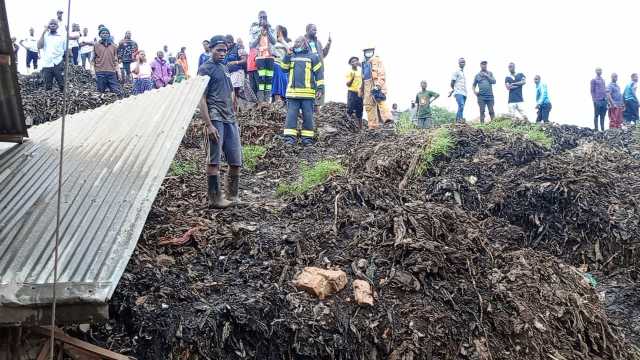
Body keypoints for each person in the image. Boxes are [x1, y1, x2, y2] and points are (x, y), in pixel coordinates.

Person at [197, 35, 243, 209]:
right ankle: (215, 198)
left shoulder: (224, 68)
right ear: (211, 49)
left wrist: (234, 102)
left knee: (236, 161)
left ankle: (233, 195)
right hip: (215, 117)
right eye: (219, 50)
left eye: (225, 50)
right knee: (214, 161)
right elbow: (201, 98)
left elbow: (230, 90)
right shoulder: (205, 69)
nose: (223, 53)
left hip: (229, 118)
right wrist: (208, 125)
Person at [281, 36, 324, 146]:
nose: (295, 43)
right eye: (295, 41)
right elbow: (283, 68)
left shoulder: (313, 57)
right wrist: (287, 55)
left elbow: (319, 74)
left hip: (308, 95)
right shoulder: (291, 56)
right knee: (291, 117)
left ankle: (307, 140)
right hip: (292, 95)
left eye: (298, 41)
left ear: (304, 43)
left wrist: (320, 88)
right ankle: (289, 140)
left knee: (308, 118)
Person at [362, 46, 392, 129]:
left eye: (370, 51)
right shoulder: (364, 63)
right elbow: (363, 78)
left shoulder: (378, 61)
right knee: (369, 105)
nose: (368, 53)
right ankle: (373, 126)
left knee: (380, 101)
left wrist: (378, 85)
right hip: (367, 84)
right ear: (364, 53)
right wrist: (361, 90)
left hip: (375, 83)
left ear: (373, 51)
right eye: (366, 51)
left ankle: (388, 121)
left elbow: (382, 74)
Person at [250, 11, 276, 102]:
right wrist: (259, 34)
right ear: (258, 18)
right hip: (259, 57)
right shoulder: (254, 29)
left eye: (264, 17)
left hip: (270, 57)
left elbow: (274, 41)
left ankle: (267, 103)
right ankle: (261, 103)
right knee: (260, 80)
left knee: (269, 80)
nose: (262, 19)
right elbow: (251, 45)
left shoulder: (271, 28)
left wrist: (267, 29)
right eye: (260, 17)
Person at [38, 19, 71, 91]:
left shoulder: (62, 37)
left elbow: (66, 50)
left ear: (57, 26)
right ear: (48, 26)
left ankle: (63, 101)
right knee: (47, 86)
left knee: (62, 85)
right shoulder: (45, 36)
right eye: (51, 24)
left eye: (54, 24)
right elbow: (39, 46)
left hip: (58, 63)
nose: (52, 25)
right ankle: (48, 101)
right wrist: (43, 32)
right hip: (47, 64)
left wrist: (66, 63)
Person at [305, 24, 331, 111]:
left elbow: (323, 54)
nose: (315, 31)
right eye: (313, 30)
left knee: (320, 89)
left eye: (316, 30)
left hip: (319, 70)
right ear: (307, 30)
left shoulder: (318, 42)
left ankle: (318, 113)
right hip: (309, 70)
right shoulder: (303, 42)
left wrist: (328, 43)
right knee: (310, 91)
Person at [93, 27, 123, 96]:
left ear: (109, 35)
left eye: (107, 33)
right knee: (100, 92)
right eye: (103, 33)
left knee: (116, 91)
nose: (105, 34)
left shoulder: (114, 46)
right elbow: (92, 60)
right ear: (100, 35)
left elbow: (116, 61)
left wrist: (119, 72)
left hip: (111, 72)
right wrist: (93, 73)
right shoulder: (96, 45)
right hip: (100, 72)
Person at [272, 26, 291, 103]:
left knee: (284, 84)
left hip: (283, 65)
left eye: (278, 31)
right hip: (275, 64)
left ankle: (282, 101)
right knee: (276, 82)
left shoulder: (288, 41)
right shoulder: (273, 42)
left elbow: (290, 50)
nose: (276, 32)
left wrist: (282, 41)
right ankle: (277, 100)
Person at [224, 35, 247, 99]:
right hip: (228, 73)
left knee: (234, 90)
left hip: (237, 71)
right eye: (226, 43)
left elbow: (245, 60)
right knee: (229, 91)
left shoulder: (238, 48)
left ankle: (234, 106)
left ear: (232, 42)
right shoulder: (225, 50)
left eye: (229, 42)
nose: (227, 44)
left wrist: (236, 62)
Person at [346, 56, 363, 123]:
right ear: (350, 64)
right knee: (350, 109)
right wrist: (352, 78)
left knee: (359, 111)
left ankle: (360, 129)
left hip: (360, 93)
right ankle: (347, 125)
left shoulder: (360, 72)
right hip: (352, 92)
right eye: (352, 61)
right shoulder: (349, 72)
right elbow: (348, 84)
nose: (355, 62)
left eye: (356, 61)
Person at [450, 58, 467, 123]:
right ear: (458, 63)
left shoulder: (463, 73)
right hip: (458, 92)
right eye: (461, 62)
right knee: (461, 105)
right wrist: (453, 89)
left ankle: (460, 121)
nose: (462, 63)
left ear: (465, 63)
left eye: (463, 62)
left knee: (461, 108)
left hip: (464, 93)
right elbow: (452, 83)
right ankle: (458, 121)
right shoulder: (456, 71)